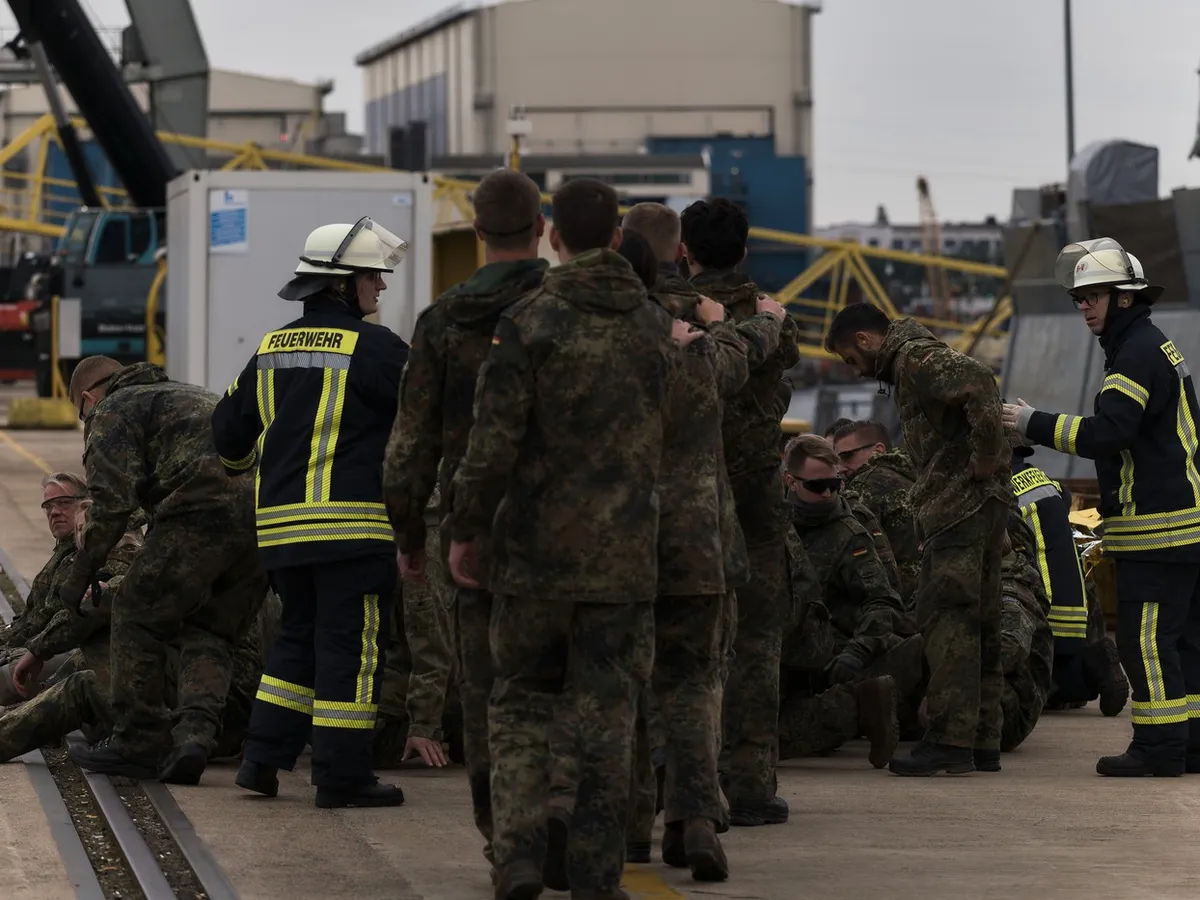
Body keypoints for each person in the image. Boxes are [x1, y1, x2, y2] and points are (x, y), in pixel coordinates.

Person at [445, 178, 677, 900]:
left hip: (533, 559)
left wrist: (465, 530)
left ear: (553, 237)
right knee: (609, 713)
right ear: (615, 238)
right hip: (624, 562)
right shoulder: (652, 325)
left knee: (519, 702)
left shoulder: (527, 321)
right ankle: (596, 874)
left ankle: (516, 854)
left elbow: (493, 444)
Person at [212, 216, 410, 807]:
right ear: (343, 284)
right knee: (353, 648)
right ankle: (342, 776)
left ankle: (262, 762)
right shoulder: (378, 348)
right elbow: (427, 423)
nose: (380, 287)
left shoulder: (271, 347)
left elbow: (227, 439)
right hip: (353, 530)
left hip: (281, 535)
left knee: (295, 643)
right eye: (373, 277)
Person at [383, 169, 549, 849]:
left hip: (471, 529)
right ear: (542, 230)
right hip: (567, 527)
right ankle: (582, 829)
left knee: (484, 691)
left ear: (477, 232)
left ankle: (507, 843)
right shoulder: (564, 308)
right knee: (567, 686)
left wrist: (409, 534)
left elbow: (409, 446)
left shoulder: (443, 320)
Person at [618, 212, 786, 880]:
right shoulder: (705, 327)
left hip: (621, 534)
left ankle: (633, 827)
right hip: (698, 535)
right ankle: (693, 818)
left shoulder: (612, 323)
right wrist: (738, 321)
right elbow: (745, 355)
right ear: (678, 252)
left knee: (623, 684)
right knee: (691, 684)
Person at [1003, 237, 1200, 777]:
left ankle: (1158, 749)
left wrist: (1030, 422)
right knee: (1185, 641)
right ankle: (1192, 745)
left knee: (1147, 643)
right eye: (1079, 298)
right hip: (1185, 525)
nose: (1084, 305)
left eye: (1094, 295)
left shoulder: (1134, 355)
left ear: (1125, 298)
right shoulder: (1151, 345)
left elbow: (1108, 433)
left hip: (1156, 531)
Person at [825, 302, 1012, 776]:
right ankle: (983, 737)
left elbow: (980, 380)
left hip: (956, 507)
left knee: (948, 619)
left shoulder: (913, 359)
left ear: (866, 341)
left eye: (851, 358)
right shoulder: (916, 357)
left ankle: (950, 740)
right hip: (981, 505)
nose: (856, 369)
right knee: (984, 619)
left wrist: (986, 455)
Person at [62, 356, 266, 784]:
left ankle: (138, 741)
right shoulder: (190, 395)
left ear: (87, 398)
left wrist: (80, 573)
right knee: (212, 632)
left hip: (198, 514)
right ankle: (193, 739)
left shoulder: (112, 409)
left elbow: (112, 504)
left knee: (136, 615)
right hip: (261, 522)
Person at [681, 197, 800, 824]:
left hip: (685, 494)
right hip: (754, 491)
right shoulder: (771, 314)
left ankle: (675, 782)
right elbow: (783, 372)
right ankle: (751, 785)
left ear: (685, 250)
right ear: (746, 250)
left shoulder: (671, 309)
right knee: (755, 639)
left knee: (679, 642)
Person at [1008, 436, 1129, 716]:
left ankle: (1069, 679)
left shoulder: (998, 489)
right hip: (1073, 613)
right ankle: (1095, 662)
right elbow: (1064, 499)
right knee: (1064, 685)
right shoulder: (1044, 481)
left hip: (1040, 612)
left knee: (1028, 689)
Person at [0, 472, 136, 702]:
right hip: (46, 647)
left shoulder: (115, 546)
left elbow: (81, 614)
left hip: (79, 654)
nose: (54, 512)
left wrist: (21, 650)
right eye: (48, 506)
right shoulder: (66, 551)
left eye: (63, 503)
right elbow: (33, 618)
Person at [831, 419, 921, 610]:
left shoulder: (866, 483)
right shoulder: (915, 476)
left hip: (893, 602)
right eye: (836, 460)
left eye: (847, 456)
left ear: (878, 450)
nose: (840, 467)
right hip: (925, 595)